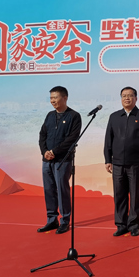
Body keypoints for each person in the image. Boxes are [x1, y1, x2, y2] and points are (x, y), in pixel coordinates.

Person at [104, 87, 139, 237]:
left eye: (130, 96)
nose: (127, 98)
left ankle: (134, 225)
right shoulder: (114, 117)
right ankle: (121, 225)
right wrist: (108, 159)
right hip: (117, 163)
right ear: (121, 98)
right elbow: (108, 140)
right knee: (119, 195)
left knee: (136, 195)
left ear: (136, 98)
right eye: (124, 96)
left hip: (136, 163)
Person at [38, 86, 82, 234]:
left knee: (62, 190)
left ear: (65, 98)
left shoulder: (74, 116)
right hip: (47, 160)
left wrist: (54, 152)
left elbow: (72, 139)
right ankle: (52, 220)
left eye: (55, 98)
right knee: (49, 189)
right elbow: (42, 135)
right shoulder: (50, 115)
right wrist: (44, 151)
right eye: (51, 98)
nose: (52, 101)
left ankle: (65, 221)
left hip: (63, 160)